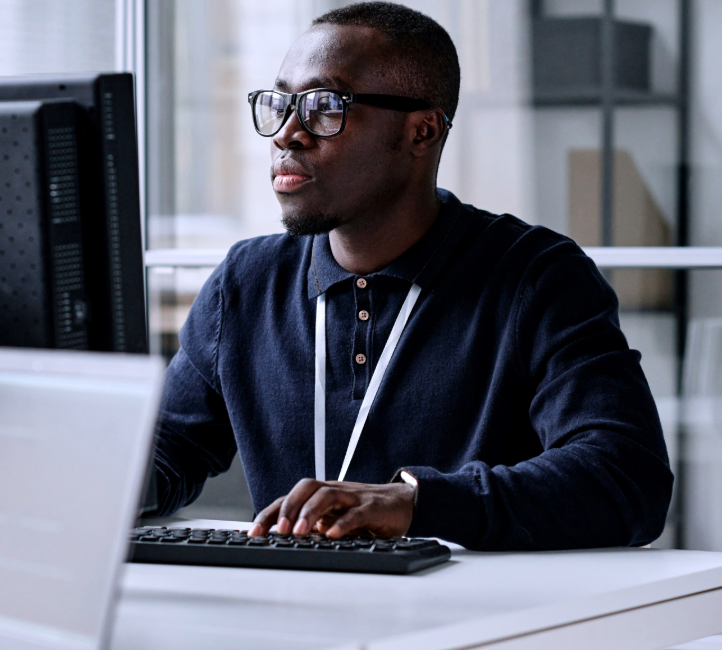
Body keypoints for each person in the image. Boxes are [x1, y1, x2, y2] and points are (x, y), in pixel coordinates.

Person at [150, 1, 673, 551]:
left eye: (325, 106)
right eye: (281, 104)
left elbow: (626, 477)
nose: (287, 133)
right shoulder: (247, 283)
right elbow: (163, 456)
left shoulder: (536, 277)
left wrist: (417, 504)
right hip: (294, 615)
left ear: (421, 132)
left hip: (477, 625)